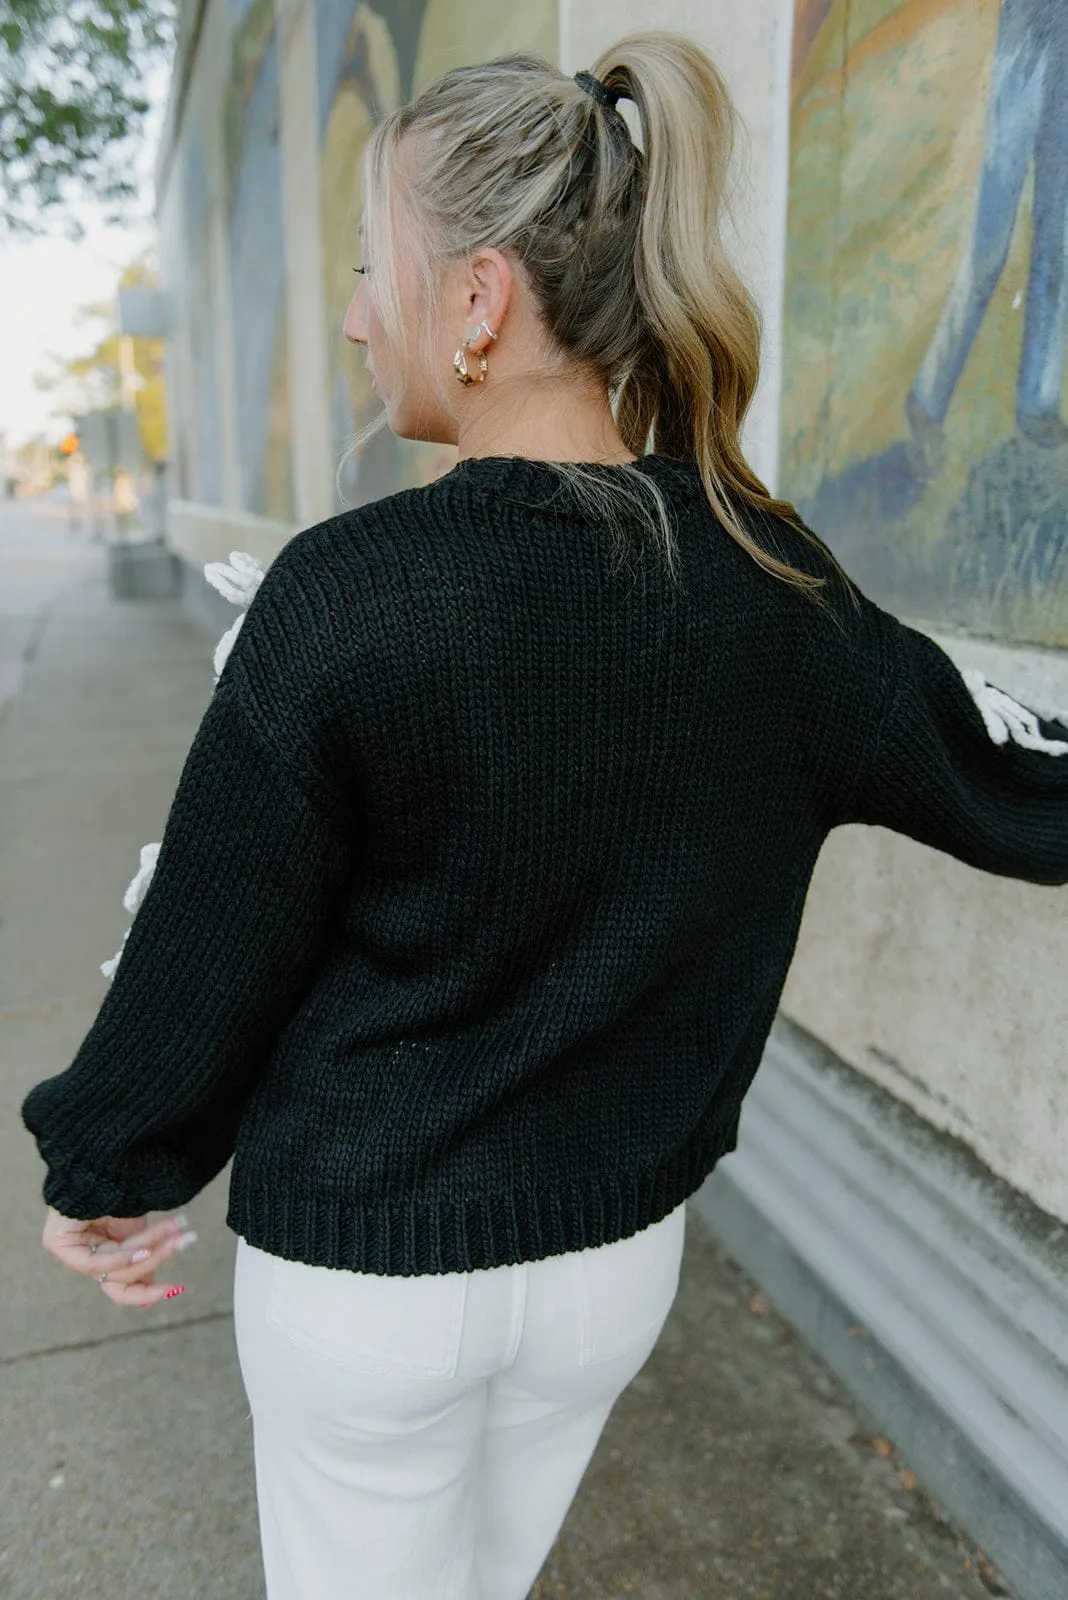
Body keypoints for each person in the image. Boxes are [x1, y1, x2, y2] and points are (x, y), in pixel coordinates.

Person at [21, 30, 1068, 1600]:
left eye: (375, 267)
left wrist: (105, 1166)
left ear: (481, 299)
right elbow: (1018, 782)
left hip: (363, 1285)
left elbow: (207, 954)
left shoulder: (350, 597)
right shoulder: (779, 589)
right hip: (607, 1269)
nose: (361, 314)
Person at [907, 0, 1068, 473]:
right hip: (1025, 38)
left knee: (1057, 244)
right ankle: (928, 398)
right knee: (988, 249)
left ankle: (1038, 401)